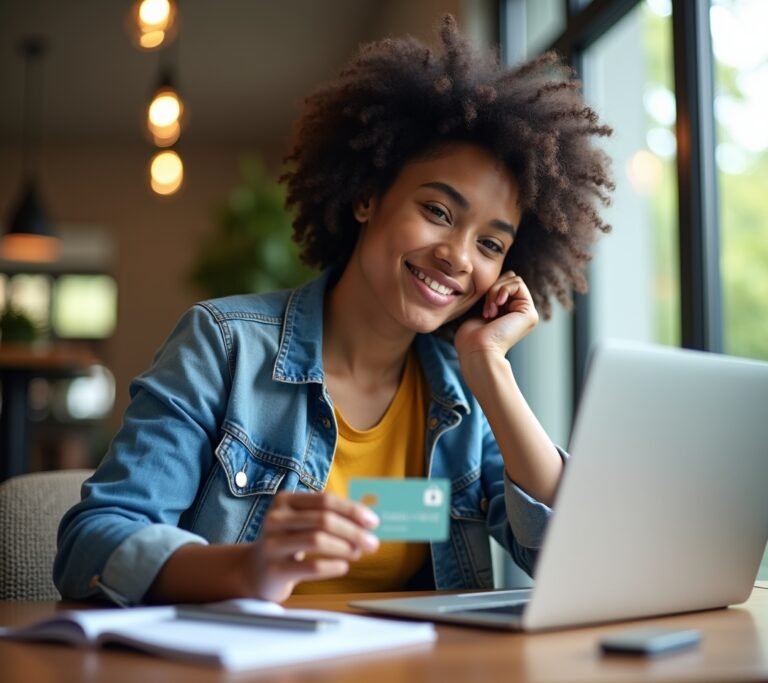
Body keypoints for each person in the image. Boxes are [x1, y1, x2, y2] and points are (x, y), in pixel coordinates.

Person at [54, 15, 613, 606]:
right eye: (438, 211)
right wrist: (248, 571)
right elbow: (91, 545)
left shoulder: (464, 394)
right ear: (366, 196)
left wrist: (491, 370)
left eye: (491, 245)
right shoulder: (224, 347)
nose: (457, 257)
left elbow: (571, 559)